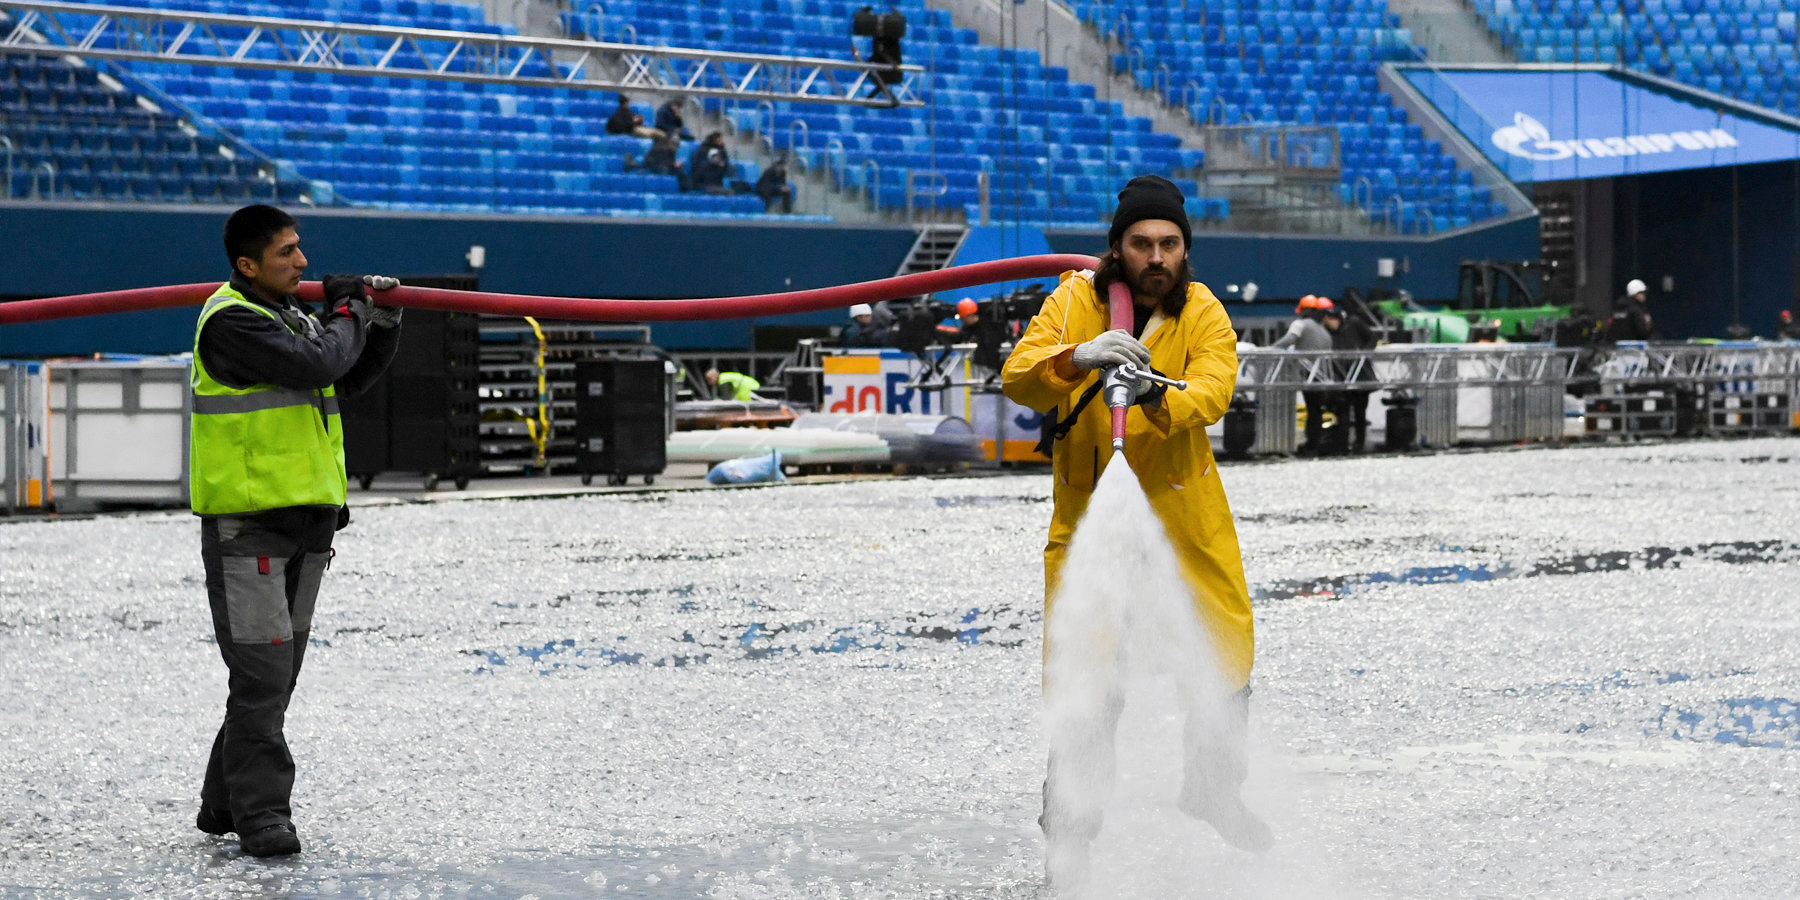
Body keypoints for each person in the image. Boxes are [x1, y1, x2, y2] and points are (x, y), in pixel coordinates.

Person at [1001, 175, 1272, 865]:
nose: (1157, 257)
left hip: (1184, 518)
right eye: (1142, 243)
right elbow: (1019, 375)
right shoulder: (1072, 300)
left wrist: (1155, 398)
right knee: (1086, 674)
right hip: (1092, 521)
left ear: (1186, 249)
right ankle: (1069, 823)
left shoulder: (1204, 312)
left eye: (1170, 244)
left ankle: (1212, 788)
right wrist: (1077, 357)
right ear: (1117, 247)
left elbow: (1212, 392)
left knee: (1226, 654)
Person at [191, 205, 402, 857]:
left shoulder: (286, 316)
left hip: (306, 525)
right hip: (248, 527)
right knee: (262, 677)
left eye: (300, 248)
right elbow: (319, 363)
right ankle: (263, 816)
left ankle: (223, 802)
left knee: (271, 679)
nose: (302, 262)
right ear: (248, 265)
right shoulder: (230, 321)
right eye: (287, 253)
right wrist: (347, 312)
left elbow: (349, 372)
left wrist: (381, 320)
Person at [1271, 294, 1336, 455]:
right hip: (1323, 377)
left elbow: (1289, 340)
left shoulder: (1299, 324)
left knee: (1312, 411)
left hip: (1307, 375)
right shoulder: (1323, 330)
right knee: (1316, 411)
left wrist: (1269, 349)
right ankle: (1314, 444)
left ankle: (1309, 446)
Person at [1324, 303, 1378, 454]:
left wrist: (1362, 355)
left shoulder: (1354, 324)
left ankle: (1358, 445)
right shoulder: (1330, 332)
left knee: (1360, 414)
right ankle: (1343, 445)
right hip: (1342, 378)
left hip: (1360, 377)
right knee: (1343, 413)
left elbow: (1372, 338)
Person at [1604, 278, 1654, 342]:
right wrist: (1648, 325)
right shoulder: (1636, 310)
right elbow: (1643, 332)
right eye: (1642, 293)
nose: (1644, 295)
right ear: (1635, 294)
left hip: (1616, 347)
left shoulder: (1617, 308)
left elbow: (1609, 331)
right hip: (1634, 347)